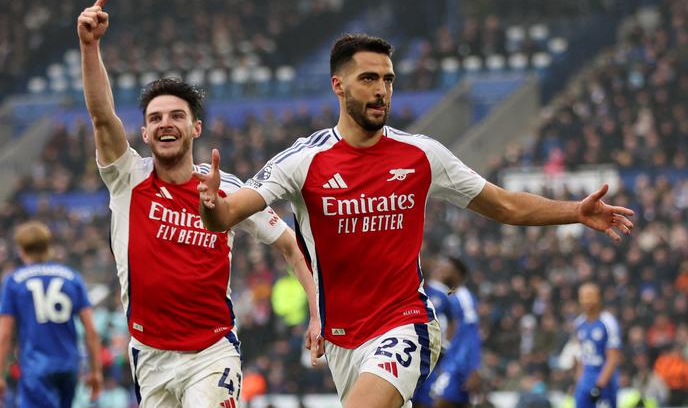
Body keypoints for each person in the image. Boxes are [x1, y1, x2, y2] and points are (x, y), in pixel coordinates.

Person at [196, 33, 635, 408]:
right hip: (342, 340)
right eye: (368, 78)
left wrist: (574, 211)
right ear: (338, 85)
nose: (381, 89)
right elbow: (228, 215)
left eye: (388, 79)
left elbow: (504, 205)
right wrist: (212, 206)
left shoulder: (421, 155)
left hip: (407, 324)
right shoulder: (304, 161)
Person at [77, 0, 322, 407]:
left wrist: (317, 312)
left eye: (176, 116)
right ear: (144, 134)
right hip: (148, 354)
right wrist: (90, 46)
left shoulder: (226, 189)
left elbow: (288, 244)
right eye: (155, 118)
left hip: (211, 352)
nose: (165, 124)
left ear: (195, 128)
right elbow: (103, 117)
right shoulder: (127, 179)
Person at [0, 221, 102, 408]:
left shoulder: (14, 282)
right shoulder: (72, 277)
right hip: (69, 366)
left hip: (36, 366)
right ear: (48, 247)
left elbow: (5, 334)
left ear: (21, 250)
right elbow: (91, 330)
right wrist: (96, 371)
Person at [431, 257, 481, 408]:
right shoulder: (447, 294)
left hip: (456, 366)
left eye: (445, 268)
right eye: (438, 267)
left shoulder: (463, 296)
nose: (439, 270)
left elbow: (471, 334)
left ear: (458, 274)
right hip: (445, 363)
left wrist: (473, 368)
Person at [412, 258, 455, 408]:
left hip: (431, 357)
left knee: (425, 400)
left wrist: (447, 343)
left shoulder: (441, 294)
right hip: (409, 353)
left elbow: (453, 318)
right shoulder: (406, 294)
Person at [573, 283, 622, 408]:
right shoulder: (579, 323)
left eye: (589, 296)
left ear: (598, 298)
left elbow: (613, 357)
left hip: (604, 380)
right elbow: (580, 356)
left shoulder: (608, 322)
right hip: (586, 380)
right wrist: (580, 382)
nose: (586, 300)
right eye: (583, 297)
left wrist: (599, 385)